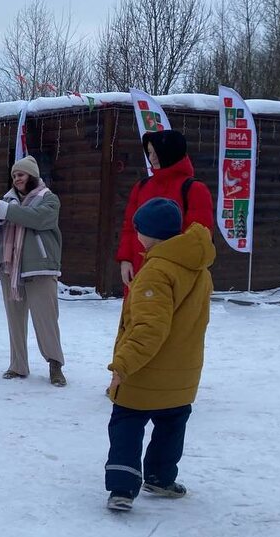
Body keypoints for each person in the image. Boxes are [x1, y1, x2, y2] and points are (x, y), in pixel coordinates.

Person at [104, 198, 214, 512]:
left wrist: (122, 365)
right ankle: (161, 477)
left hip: (147, 372)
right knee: (172, 422)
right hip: (183, 371)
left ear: (148, 235)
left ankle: (123, 488)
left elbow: (150, 329)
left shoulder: (156, 272)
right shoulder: (197, 268)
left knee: (126, 421)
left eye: (138, 228)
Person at [0, 155, 66, 387]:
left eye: (21, 174)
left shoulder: (49, 199)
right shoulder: (6, 201)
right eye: (14, 175)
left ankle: (55, 364)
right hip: (10, 269)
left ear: (33, 176)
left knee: (46, 319)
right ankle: (18, 365)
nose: (17, 179)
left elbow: (37, 219)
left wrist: (4, 210)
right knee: (15, 319)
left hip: (40, 268)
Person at [118, 129, 214, 293]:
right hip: (138, 266)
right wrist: (125, 259)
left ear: (170, 152)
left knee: (161, 315)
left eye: (157, 153)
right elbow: (129, 227)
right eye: (149, 153)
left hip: (174, 272)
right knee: (136, 315)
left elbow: (198, 239)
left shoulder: (195, 189)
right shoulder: (142, 186)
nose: (152, 158)